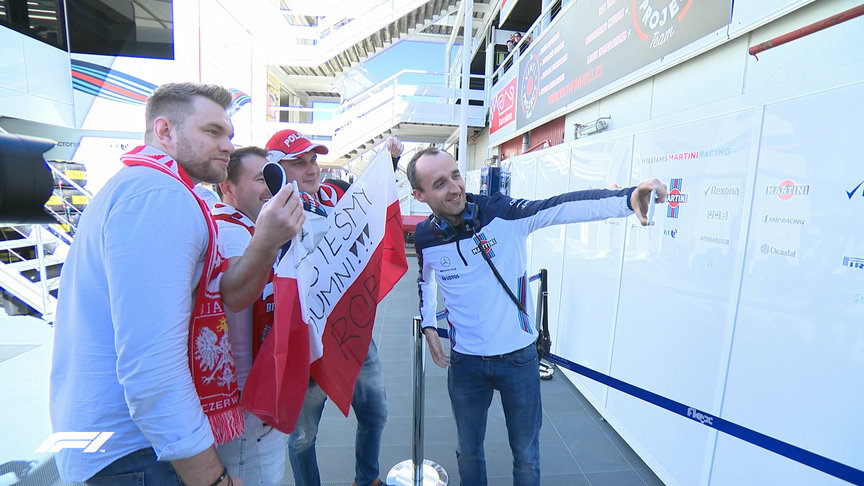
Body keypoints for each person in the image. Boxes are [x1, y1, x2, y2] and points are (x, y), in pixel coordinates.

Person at [49, 82, 300, 486]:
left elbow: (225, 294)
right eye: (213, 132)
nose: (228, 146)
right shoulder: (158, 194)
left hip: (136, 447)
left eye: (230, 135)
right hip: (137, 454)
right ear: (164, 131)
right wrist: (211, 479)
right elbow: (152, 363)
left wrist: (267, 240)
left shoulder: (153, 187)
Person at [407, 148, 667, 486]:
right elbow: (425, 281)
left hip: (519, 360)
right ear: (419, 195)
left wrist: (626, 198)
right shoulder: (426, 236)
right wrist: (428, 322)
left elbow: (560, 207)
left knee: (526, 457)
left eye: (456, 175)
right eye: (440, 183)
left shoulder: (500, 212)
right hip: (466, 363)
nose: (455, 187)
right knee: (468, 452)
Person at [264, 129, 403, 486]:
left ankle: (367, 478)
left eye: (313, 160)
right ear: (276, 169)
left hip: (352, 331)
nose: (312, 169)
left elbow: (371, 203)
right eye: (299, 163)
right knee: (302, 437)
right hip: (306, 344)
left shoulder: (337, 192)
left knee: (376, 414)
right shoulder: (271, 212)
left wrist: (390, 164)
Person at [212, 146, 306, 485]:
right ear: (227, 188)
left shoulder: (245, 228)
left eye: (272, 177)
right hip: (246, 404)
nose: (270, 187)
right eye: (258, 179)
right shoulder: (232, 231)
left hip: (252, 397)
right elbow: (236, 288)